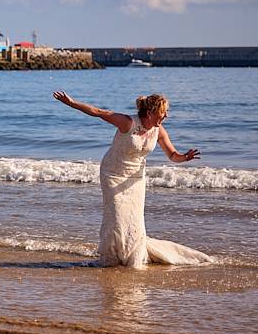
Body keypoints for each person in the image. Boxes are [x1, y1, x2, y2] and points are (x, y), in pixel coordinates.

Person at [53, 91, 211, 268]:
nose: (166, 116)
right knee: (116, 216)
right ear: (150, 112)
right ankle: (111, 257)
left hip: (136, 177)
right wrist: (72, 103)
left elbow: (172, 155)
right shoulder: (128, 122)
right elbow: (98, 112)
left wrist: (184, 157)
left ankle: (131, 256)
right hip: (113, 173)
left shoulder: (158, 130)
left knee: (134, 219)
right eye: (163, 112)